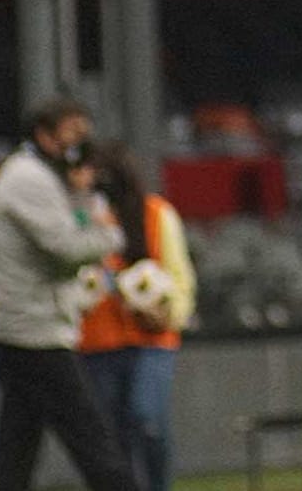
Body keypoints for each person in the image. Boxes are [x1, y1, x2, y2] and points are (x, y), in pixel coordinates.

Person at [0, 97, 140, 491]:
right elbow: (68, 249)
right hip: (36, 329)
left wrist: (78, 194)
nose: (80, 145)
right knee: (94, 441)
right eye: (72, 134)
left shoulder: (37, 174)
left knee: (16, 448)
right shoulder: (28, 179)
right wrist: (108, 229)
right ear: (43, 134)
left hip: (27, 324)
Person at [79, 140, 197, 491]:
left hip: (151, 339)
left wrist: (169, 312)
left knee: (147, 419)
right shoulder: (81, 218)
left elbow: (179, 276)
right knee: (111, 433)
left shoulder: (156, 213)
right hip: (96, 340)